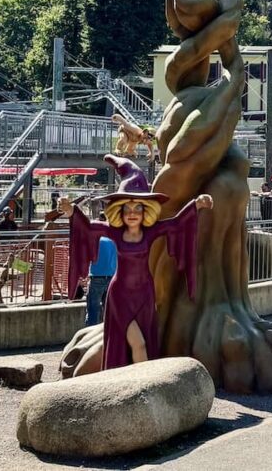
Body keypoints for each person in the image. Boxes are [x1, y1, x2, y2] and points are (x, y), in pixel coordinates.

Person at [62, 154, 210, 370]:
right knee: (138, 343)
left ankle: (134, 387)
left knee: (143, 344)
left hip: (145, 295)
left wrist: (196, 205)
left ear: (145, 210)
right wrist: (71, 211)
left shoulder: (151, 232)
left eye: (137, 208)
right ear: (119, 210)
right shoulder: (114, 231)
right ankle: (144, 387)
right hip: (120, 296)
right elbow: (87, 226)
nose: (132, 214)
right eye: (127, 208)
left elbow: (177, 223)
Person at [85, 236, 117, 327]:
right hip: (112, 278)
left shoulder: (95, 240)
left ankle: (89, 334)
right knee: (108, 311)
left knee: (93, 310)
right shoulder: (114, 240)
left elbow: (86, 256)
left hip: (96, 277)